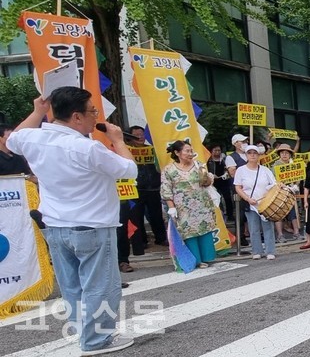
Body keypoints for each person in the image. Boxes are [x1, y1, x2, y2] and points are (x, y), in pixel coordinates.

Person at [7, 87, 138, 354]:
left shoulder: (34, 139)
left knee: (72, 286)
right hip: (92, 226)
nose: (95, 117)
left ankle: (84, 333)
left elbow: (12, 140)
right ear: (76, 117)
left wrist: (37, 112)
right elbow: (130, 169)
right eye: (92, 111)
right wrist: (119, 141)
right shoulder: (87, 148)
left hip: (55, 225)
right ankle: (96, 340)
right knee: (100, 286)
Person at [161, 141, 219, 268]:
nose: (190, 153)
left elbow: (207, 182)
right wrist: (171, 207)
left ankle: (207, 256)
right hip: (183, 207)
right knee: (189, 232)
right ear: (177, 153)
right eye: (187, 151)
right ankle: (196, 260)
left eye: (191, 151)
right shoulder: (169, 170)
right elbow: (166, 190)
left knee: (204, 228)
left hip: (202, 204)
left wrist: (205, 176)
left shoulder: (197, 165)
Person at [234, 144, 278, 260]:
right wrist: (247, 198)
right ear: (246, 155)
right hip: (250, 203)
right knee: (253, 228)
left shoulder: (265, 170)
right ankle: (256, 250)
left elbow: (273, 184)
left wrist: (267, 195)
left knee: (268, 227)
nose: (252, 155)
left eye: (255, 153)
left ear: (258, 155)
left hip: (265, 203)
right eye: (250, 153)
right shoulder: (241, 170)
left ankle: (270, 250)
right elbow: (238, 187)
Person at [127, 126, 168, 248]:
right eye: (136, 134)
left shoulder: (152, 150)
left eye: (142, 134)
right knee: (136, 216)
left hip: (153, 187)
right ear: (130, 137)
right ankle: (141, 241)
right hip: (135, 188)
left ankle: (161, 238)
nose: (140, 136)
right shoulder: (127, 150)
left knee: (156, 215)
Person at [271, 143, 301, 242]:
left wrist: (296, 185)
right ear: (279, 154)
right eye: (282, 153)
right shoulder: (275, 165)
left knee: (293, 213)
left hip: (291, 192)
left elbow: (299, 176)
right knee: (279, 213)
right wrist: (282, 186)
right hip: (279, 193)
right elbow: (273, 179)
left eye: (286, 153)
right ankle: (280, 235)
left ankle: (296, 232)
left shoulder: (293, 164)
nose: (284, 155)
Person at [207, 144, 235, 221]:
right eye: (215, 150)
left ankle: (230, 215)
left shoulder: (224, 159)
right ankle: (219, 214)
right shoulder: (208, 160)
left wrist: (226, 173)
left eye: (219, 150)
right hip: (213, 182)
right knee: (216, 198)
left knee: (228, 198)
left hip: (224, 181)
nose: (217, 152)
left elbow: (228, 168)